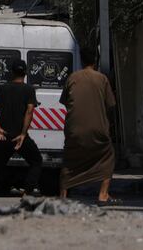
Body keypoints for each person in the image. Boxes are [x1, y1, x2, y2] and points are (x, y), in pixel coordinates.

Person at [0, 59, 43, 208]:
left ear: (12, 72)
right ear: (25, 73)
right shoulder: (29, 90)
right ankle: (27, 193)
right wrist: (23, 134)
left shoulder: (2, 89)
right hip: (19, 137)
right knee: (36, 161)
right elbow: (29, 111)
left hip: (3, 136)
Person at [59, 46, 117, 204]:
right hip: (98, 130)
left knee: (69, 160)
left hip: (74, 130)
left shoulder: (72, 78)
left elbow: (66, 102)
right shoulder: (102, 79)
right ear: (95, 60)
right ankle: (103, 194)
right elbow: (110, 105)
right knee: (108, 156)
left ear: (81, 60)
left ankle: (63, 195)